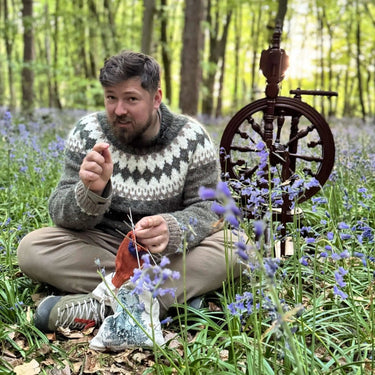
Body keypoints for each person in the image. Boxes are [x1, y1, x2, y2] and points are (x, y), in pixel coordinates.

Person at [17, 50, 241, 337]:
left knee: (236, 249)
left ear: (156, 98)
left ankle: (103, 305)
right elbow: (60, 213)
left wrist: (173, 229)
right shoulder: (88, 133)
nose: (119, 109)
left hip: (168, 254)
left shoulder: (192, 138)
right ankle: (168, 298)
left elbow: (211, 209)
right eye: (111, 97)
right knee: (32, 249)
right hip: (105, 247)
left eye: (131, 99)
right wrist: (91, 192)